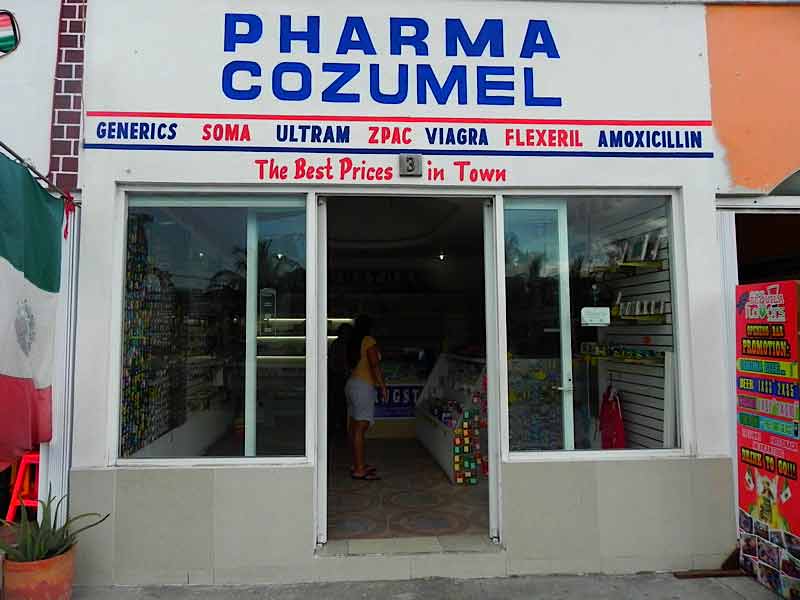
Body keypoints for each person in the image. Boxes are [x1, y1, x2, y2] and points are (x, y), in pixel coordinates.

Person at [345, 315, 387, 480]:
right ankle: (360, 469)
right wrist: (382, 386)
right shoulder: (368, 340)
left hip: (351, 384)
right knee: (361, 427)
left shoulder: (353, 341)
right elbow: (374, 364)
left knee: (354, 426)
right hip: (363, 386)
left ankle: (357, 463)